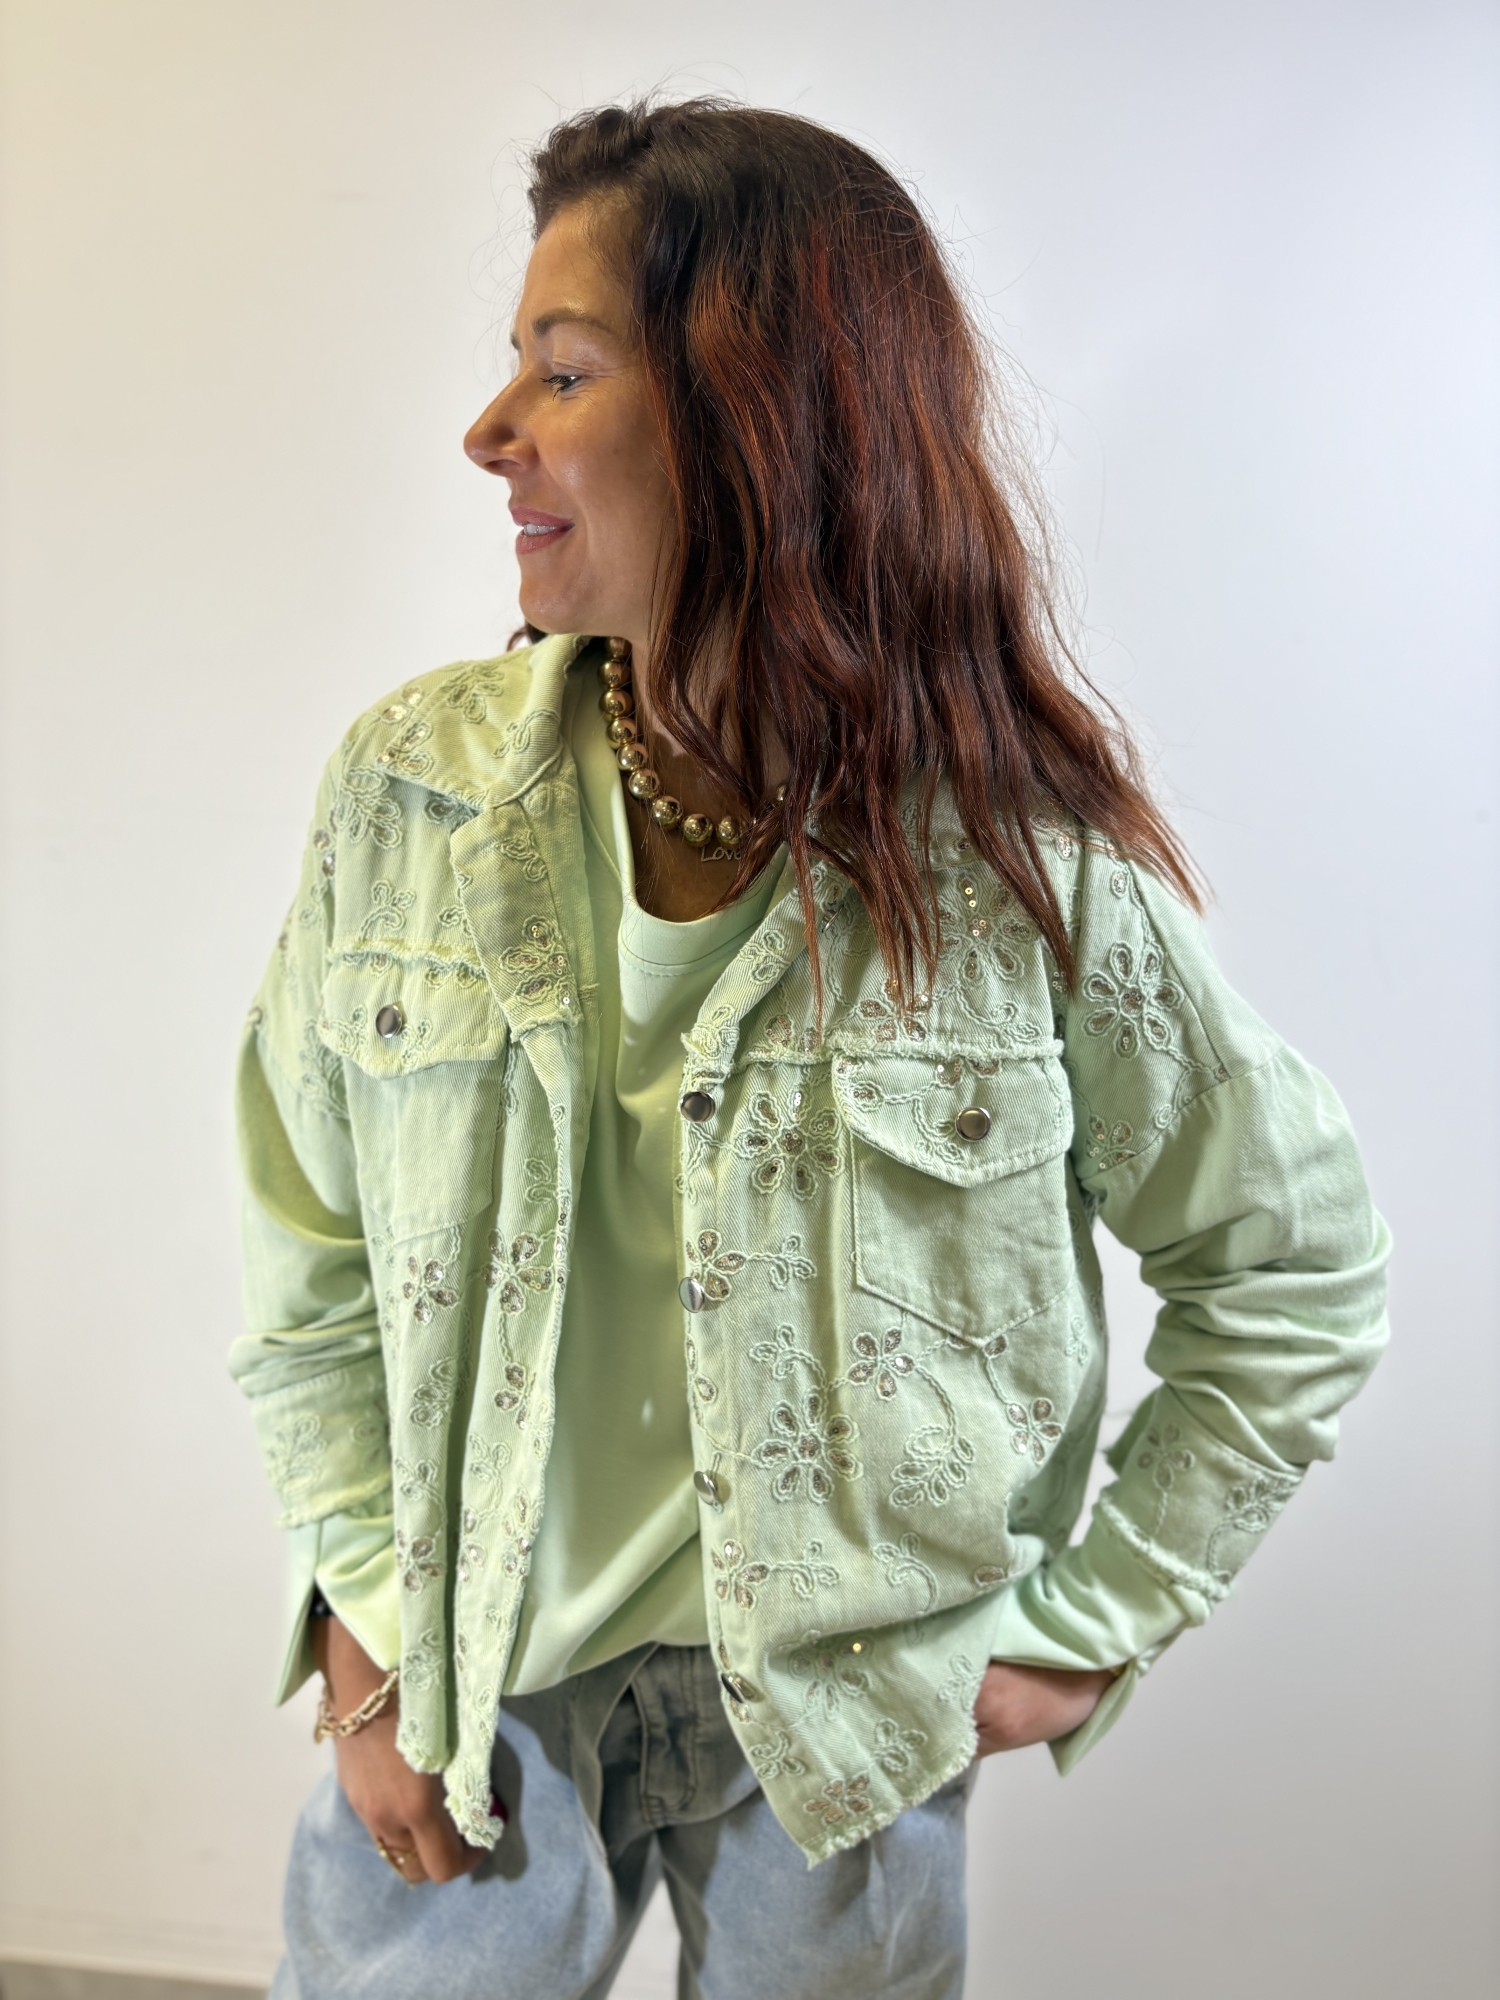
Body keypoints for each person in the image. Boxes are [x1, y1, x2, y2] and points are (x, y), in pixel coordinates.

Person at [231, 98, 1390, 2000]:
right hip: (473, 1686)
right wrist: (360, 1622)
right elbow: (309, 1255)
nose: (491, 430)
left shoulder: (1020, 876)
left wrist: (1096, 1620)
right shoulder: (409, 796)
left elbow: (1294, 1266)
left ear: (756, 418)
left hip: (849, 1731)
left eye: (562, 370)